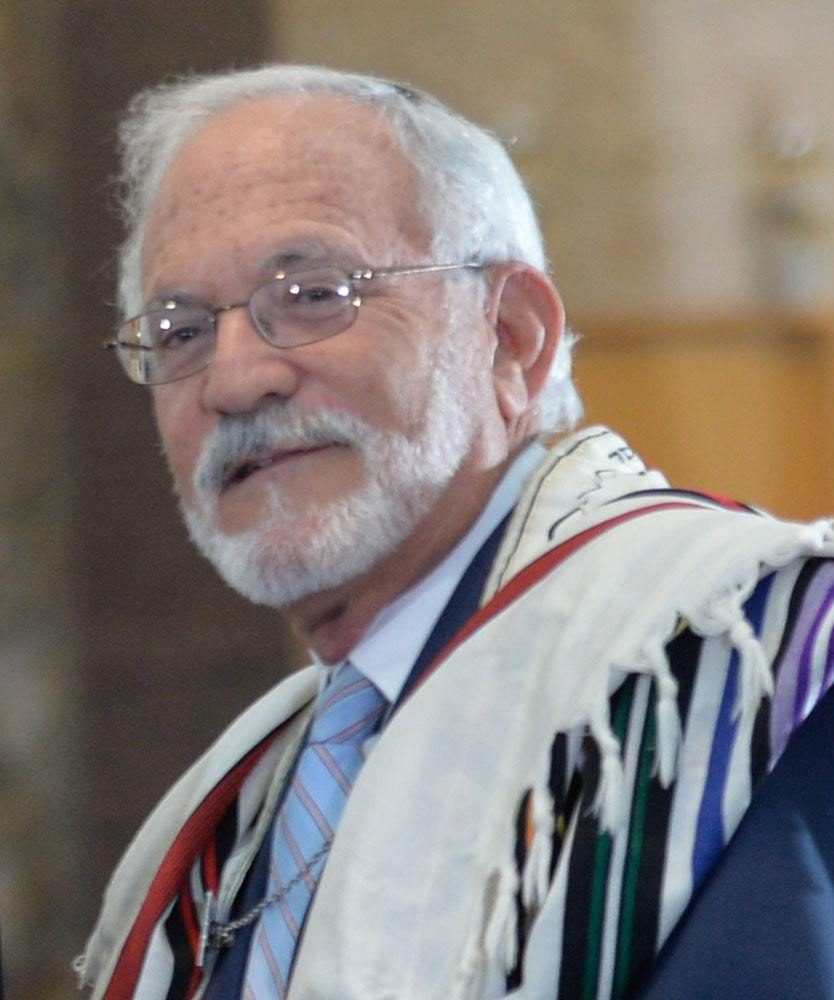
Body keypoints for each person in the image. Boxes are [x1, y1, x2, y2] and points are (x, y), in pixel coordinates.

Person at [78, 64, 834, 1000]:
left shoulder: (731, 665)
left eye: (314, 293)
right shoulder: (235, 806)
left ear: (510, 337)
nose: (234, 381)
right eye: (181, 328)